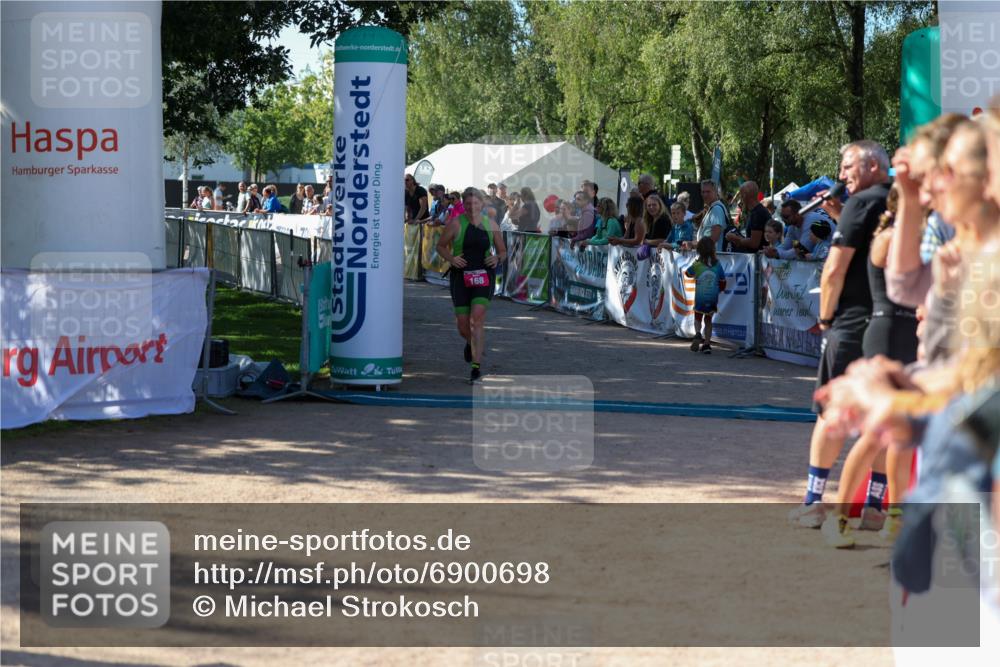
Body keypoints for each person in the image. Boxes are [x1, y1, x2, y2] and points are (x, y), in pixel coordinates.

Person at [789, 139, 892, 529]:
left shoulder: (862, 204)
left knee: (830, 413)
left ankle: (814, 502)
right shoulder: (900, 202)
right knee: (881, 417)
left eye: (847, 166)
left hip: (851, 320)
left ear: (870, 166)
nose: (842, 174)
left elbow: (834, 269)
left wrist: (826, 319)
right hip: (890, 323)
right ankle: (876, 506)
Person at [820, 185, 921, 548]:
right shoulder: (889, 237)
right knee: (877, 430)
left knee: (904, 432)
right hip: (887, 332)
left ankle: (894, 516)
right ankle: (840, 517)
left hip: (912, 334)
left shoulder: (916, 234)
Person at [436, 187, 507, 383]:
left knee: (477, 319)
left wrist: (497, 259)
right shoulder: (456, 223)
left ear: (482, 204)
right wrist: (451, 258)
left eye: (475, 203)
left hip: (484, 276)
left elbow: (502, 251)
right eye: (468, 203)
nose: (472, 207)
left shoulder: (491, 224)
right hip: (461, 276)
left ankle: (475, 368)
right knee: (462, 324)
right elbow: (440, 246)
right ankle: (470, 342)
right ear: (464, 204)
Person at [685, 237, 727, 355]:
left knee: (698, 317)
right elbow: (723, 281)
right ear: (713, 250)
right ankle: (707, 344)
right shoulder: (717, 265)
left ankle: (698, 332)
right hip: (713, 297)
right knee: (708, 320)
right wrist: (720, 290)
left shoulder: (698, 264)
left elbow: (687, 273)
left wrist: (694, 265)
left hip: (700, 296)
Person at [726, 181, 768, 252]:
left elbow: (754, 243)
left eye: (741, 195)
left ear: (744, 195)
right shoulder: (757, 211)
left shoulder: (757, 213)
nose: (740, 198)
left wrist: (736, 239)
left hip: (759, 259)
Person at [695, 180, 728, 251]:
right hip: (708, 254)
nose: (705, 195)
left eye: (708, 192)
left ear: (716, 192)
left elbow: (714, 238)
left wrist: (694, 244)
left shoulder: (717, 209)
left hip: (713, 256)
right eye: (703, 192)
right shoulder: (712, 208)